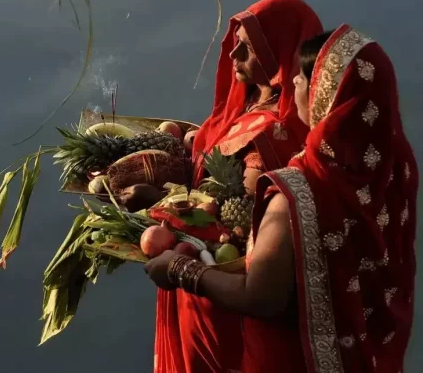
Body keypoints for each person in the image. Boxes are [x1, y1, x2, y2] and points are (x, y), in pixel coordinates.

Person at [145, 24, 418, 373]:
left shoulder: (298, 190)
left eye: (303, 80)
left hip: (291, 358)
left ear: (326, 96)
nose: (291, 85)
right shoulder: (395, 173)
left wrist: (178, 269)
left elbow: (262, 298)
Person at [153, 0, 324, 373]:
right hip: (194, 269)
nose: (232, 56)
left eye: (246, 48)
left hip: (217, 290)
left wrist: (156, 202)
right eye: (235, 44)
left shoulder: (273, 137)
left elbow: (235, 227)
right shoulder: (249, 101)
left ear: (278, 50)